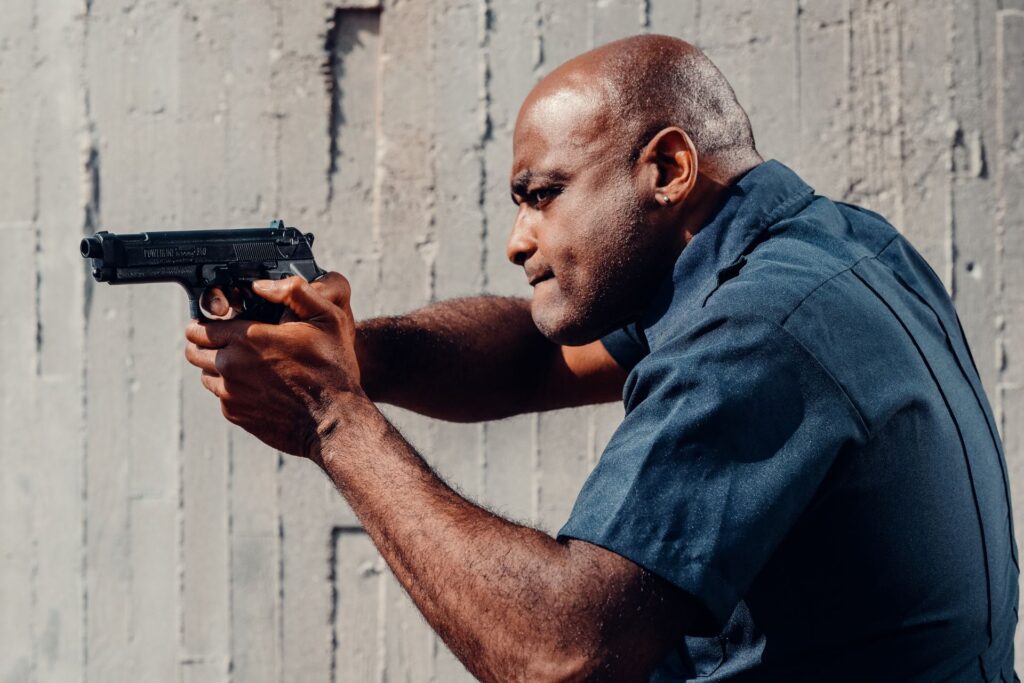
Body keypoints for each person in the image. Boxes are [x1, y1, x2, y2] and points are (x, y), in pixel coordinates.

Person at [184, 34, 1018, 681]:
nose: (519, 241)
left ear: (666, 166)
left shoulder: (756, 330)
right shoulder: (840, 244)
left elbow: (558, 657)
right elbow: (540, 359)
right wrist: (344, 352)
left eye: (541, 195)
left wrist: (334, 418)